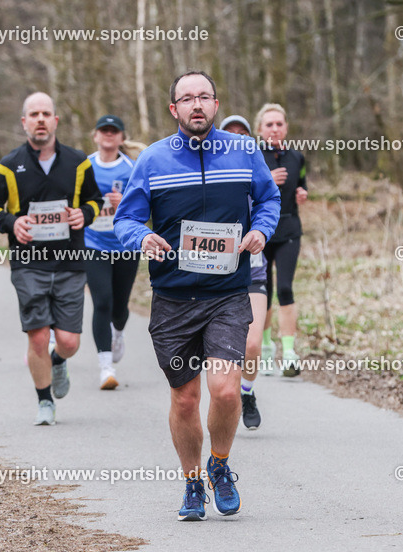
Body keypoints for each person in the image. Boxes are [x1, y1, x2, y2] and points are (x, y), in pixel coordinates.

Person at [114, 72, 280, 521]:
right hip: (173, 298)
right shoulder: (152, 160)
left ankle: (220, 465)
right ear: (174, 110)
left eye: (204, 96)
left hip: (227, 293)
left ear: (216, 103)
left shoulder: (245, 152)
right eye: (187, 99)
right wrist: (142, 238)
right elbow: (125, 219)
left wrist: (261, 230)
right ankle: (191, 482)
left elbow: (268, 200)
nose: (197, 105)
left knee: (225, 391)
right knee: (185, 399)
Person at [0, 92, 103, 426]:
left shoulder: (78, 162)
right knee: (36, 335)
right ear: (24, 122)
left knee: (68, 341)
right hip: (28, 263)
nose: (40, 119)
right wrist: (12, 222)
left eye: (46, 113)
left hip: (70, 261)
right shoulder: (8, 165)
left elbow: (95, 201)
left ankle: (58, 360)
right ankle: (45, 400)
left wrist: (83, 216)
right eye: (33, 114)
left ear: (56, 120)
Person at [219, 114, 266, 429]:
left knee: (251, 345)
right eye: (230, 133)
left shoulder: (256, 171)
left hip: (252, 269)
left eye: (243, 134)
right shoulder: (206, 172)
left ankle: (246, 392)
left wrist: (261, 230)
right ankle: (226, 394)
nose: (237, 138)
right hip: (215, 272)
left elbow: (272, 206)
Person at [85, 114, 138, 390]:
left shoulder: (131, 168)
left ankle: (118, 332)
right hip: (93, 243)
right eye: (103, 130)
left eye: (113, 131)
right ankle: (106, 367)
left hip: (125, 246)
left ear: (121, 137)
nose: (108, 135)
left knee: (120, 307)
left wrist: (124, 203)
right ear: (95, 135)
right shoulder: (85, 166)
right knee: (102, 301)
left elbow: (145, 207)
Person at [256, 103, 308, 377]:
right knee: (263, 293)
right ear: (259, 130)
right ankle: (266, 349)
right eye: (269, 125)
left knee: (285, 289)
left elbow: (302, 184)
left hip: (289, 229)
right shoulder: (253, 157)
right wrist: (268, 181)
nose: (275, 129)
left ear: (286, 127)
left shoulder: (297, 157)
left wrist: (302, 193)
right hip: (261, 233)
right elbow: (246, 194)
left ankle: (289, 352)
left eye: (279, 124)